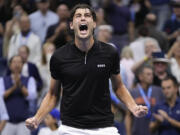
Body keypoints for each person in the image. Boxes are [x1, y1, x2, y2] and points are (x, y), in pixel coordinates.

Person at [25, 4, 148, 135]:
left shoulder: (110, 52)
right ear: (72, 25)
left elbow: (118, 87)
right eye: (78, 16)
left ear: (94, 24)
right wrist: (37, 119)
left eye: (87, 15)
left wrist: (134, 107)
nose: (83, 18)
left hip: (104, 127)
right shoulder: (59, 56)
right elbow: (52, 94)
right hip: (70, 128)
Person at [0, 55, 37, 135]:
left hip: (23, 122)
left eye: (19, 62)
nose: (17, 64)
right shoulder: (2, 80)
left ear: (23, 65)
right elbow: (1, 96)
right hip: (7, 122)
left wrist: (20, 85)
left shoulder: (30, 79)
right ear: (10, 65)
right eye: (14, 62)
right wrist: (14, 87)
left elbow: (32, 96)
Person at [125, 65, 164, 135]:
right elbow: (128, 115)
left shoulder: (159, 91)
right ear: (140, 77)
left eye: (152, 74)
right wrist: (128, 133)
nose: (151, 76)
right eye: (148, 74)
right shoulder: (133, 92)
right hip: (137, 132)